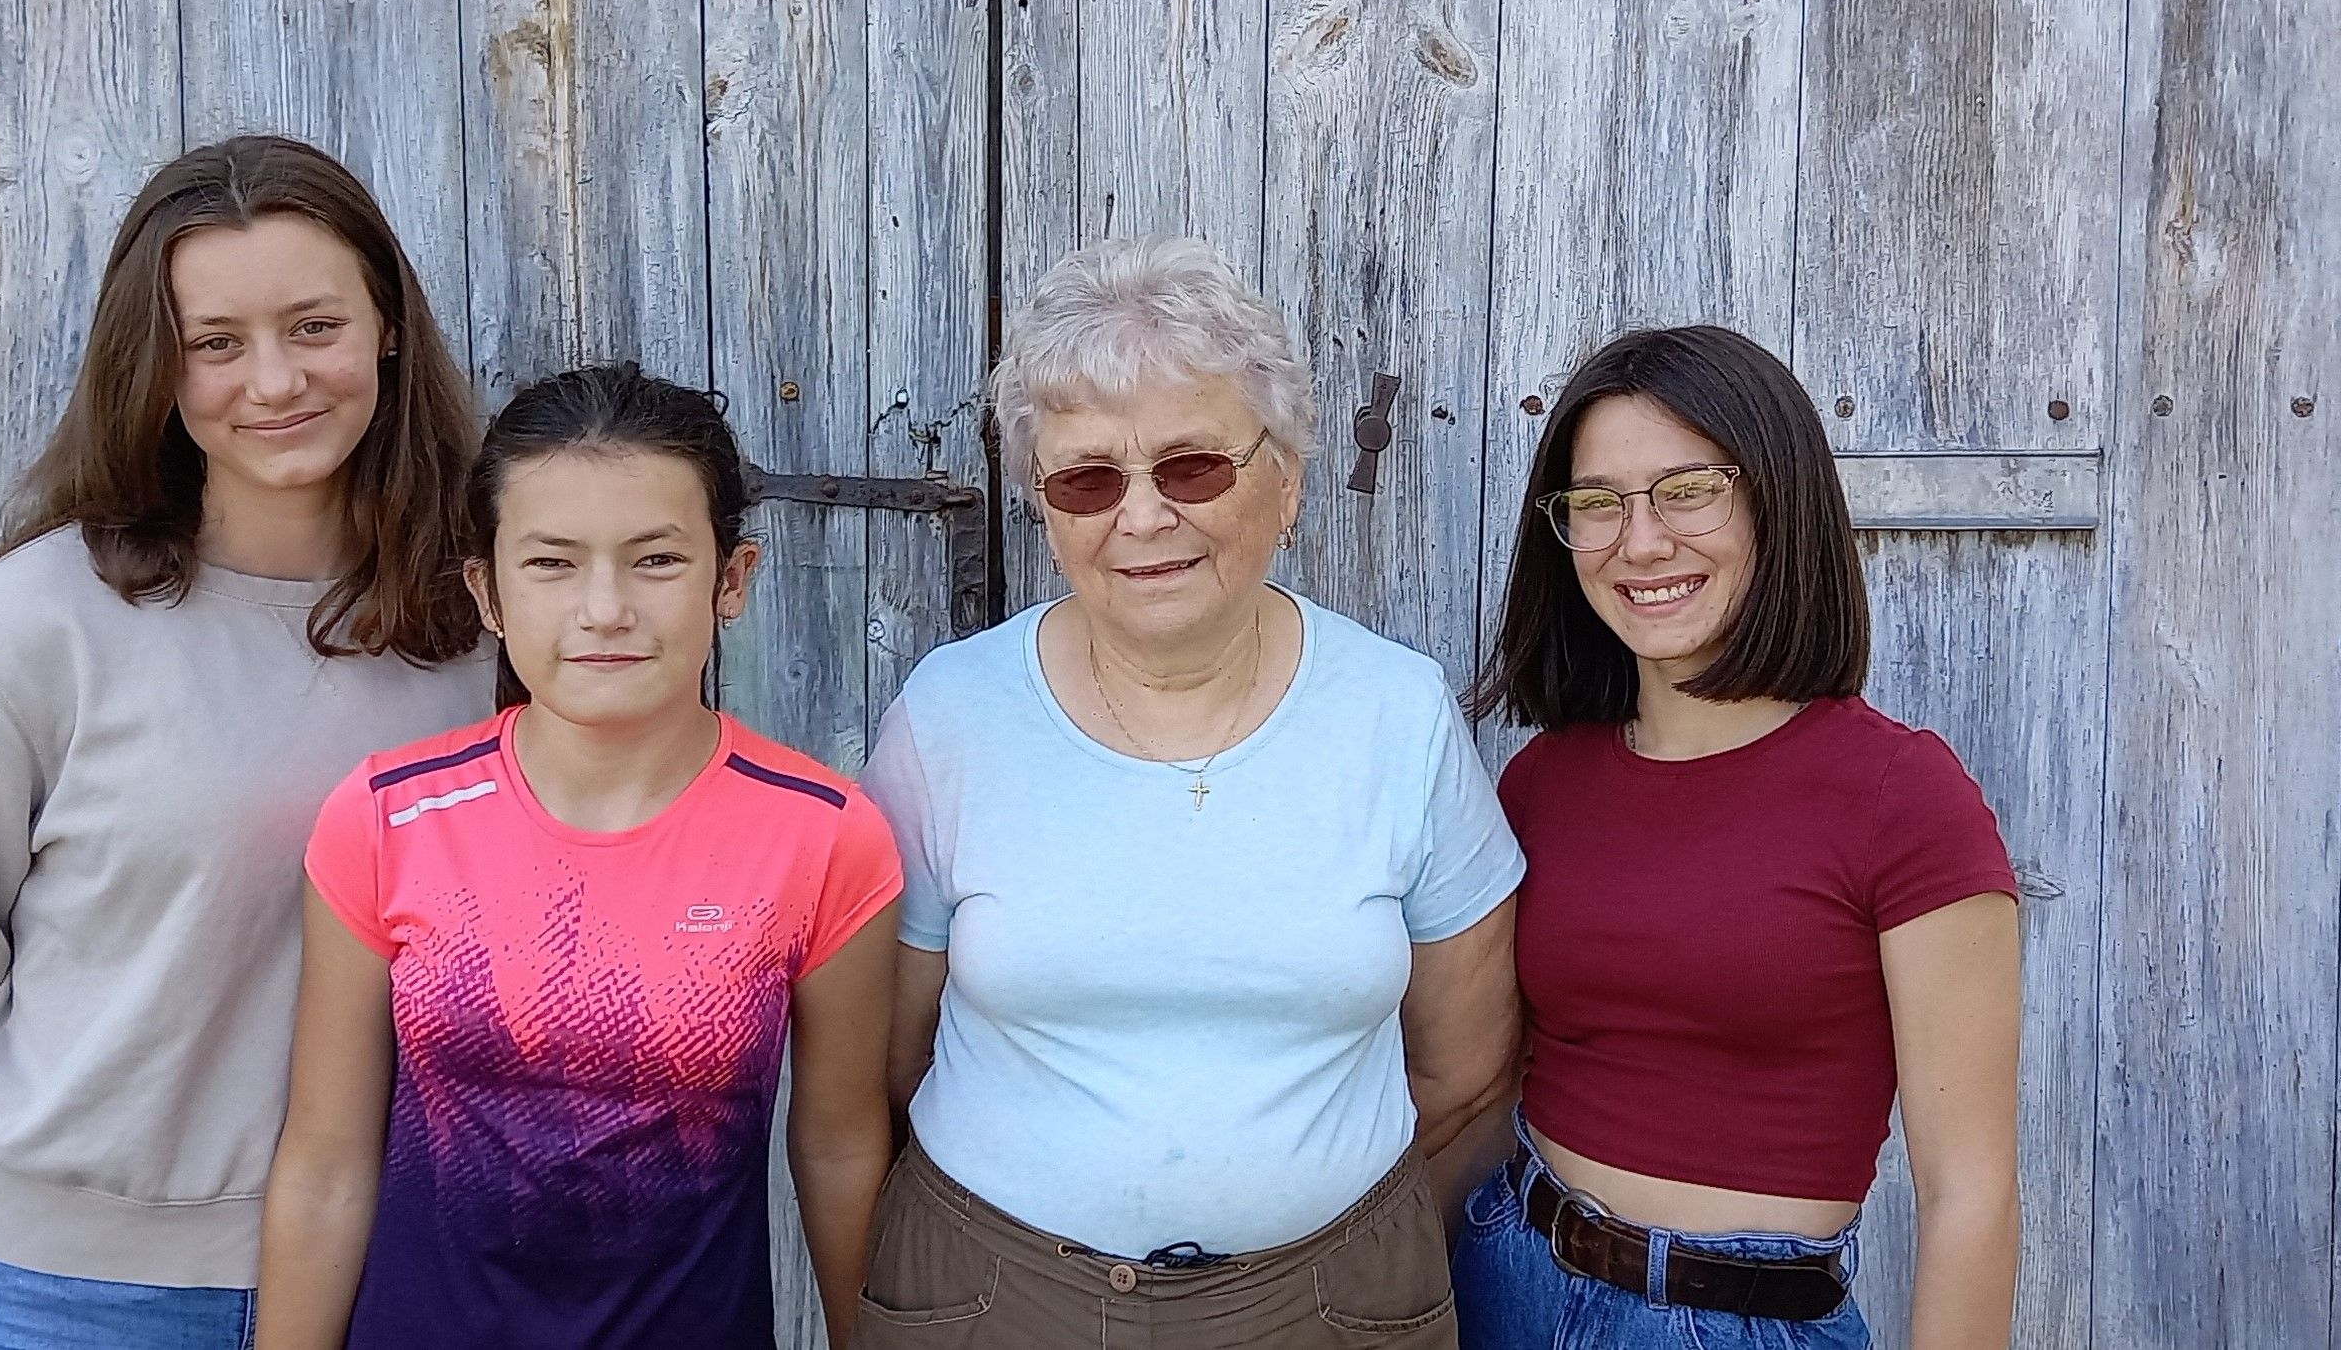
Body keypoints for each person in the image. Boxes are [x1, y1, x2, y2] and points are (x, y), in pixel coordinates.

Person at [0, 135, 495, 1349]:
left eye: (314, 326)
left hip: (399, 1271)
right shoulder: (31, 628)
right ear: (155, 364)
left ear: (389, 329)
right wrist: (81, 1170)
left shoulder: (485, 624)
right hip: (71, 1293)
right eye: (216, 343)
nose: (276, 380)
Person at [861, 236, 1526, 1347]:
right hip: (994, 1297)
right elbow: (889, 1049)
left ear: (1286, 479)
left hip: (1329, 1303)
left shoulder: (1396, 713)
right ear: (1046, 508)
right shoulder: (951, 714)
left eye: (1192, 467)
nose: (1141, 516)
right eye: (1087, 480)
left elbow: (1464, 1068)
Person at [254, 363, 904, 1350]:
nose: (605, 609)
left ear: (732, 579)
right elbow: (326, 1163)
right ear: (487, 590)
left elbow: (841, 1147)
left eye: (656, 560)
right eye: (553, 564)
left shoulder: (822, 835)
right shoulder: (390, 819)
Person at [1452, 325, 2023, 1349]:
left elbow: (1970, 1194)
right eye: (1598, 503)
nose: (1640, 543)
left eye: (1687, 491)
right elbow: (1486, 1079)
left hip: (1737, 1321)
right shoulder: (1544, 779)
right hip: (1510, 1273)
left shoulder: (1903, 798)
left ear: (1777, 501)